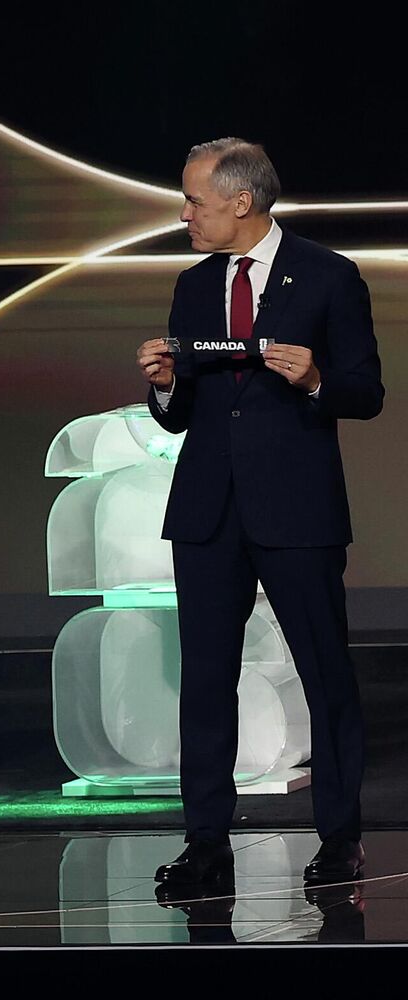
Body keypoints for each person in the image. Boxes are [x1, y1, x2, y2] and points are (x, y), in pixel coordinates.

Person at [137, 139, 382, 890]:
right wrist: (165, 384)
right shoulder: (192, 284)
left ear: (241, 202)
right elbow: (181, 413)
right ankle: (206, 844)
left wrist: (315, 380)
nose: (185, 215)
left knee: (325, 673)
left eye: (194, 202)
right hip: (208, 512)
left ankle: (339, 838)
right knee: (205, 679)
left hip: (298, 509)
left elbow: (366, 391)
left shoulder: (329, 275)